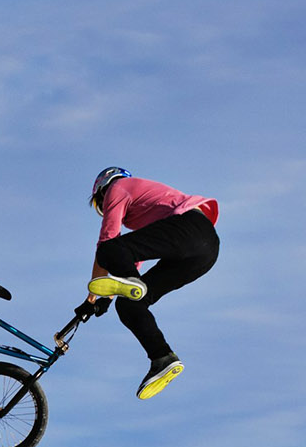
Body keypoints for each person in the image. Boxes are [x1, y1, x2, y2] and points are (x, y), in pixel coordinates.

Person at [73, 167, 220, 400]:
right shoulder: (146, 208)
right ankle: (162, 358)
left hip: (190, 228)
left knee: (108, 250)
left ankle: (126, 292)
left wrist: (91, 297)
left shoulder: (117, 188)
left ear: (102, 191)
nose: (104, 209)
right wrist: (107, 299)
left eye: (100, 205)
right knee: (130, 304)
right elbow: (134, 261)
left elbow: (108, 241)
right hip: (207, 251)